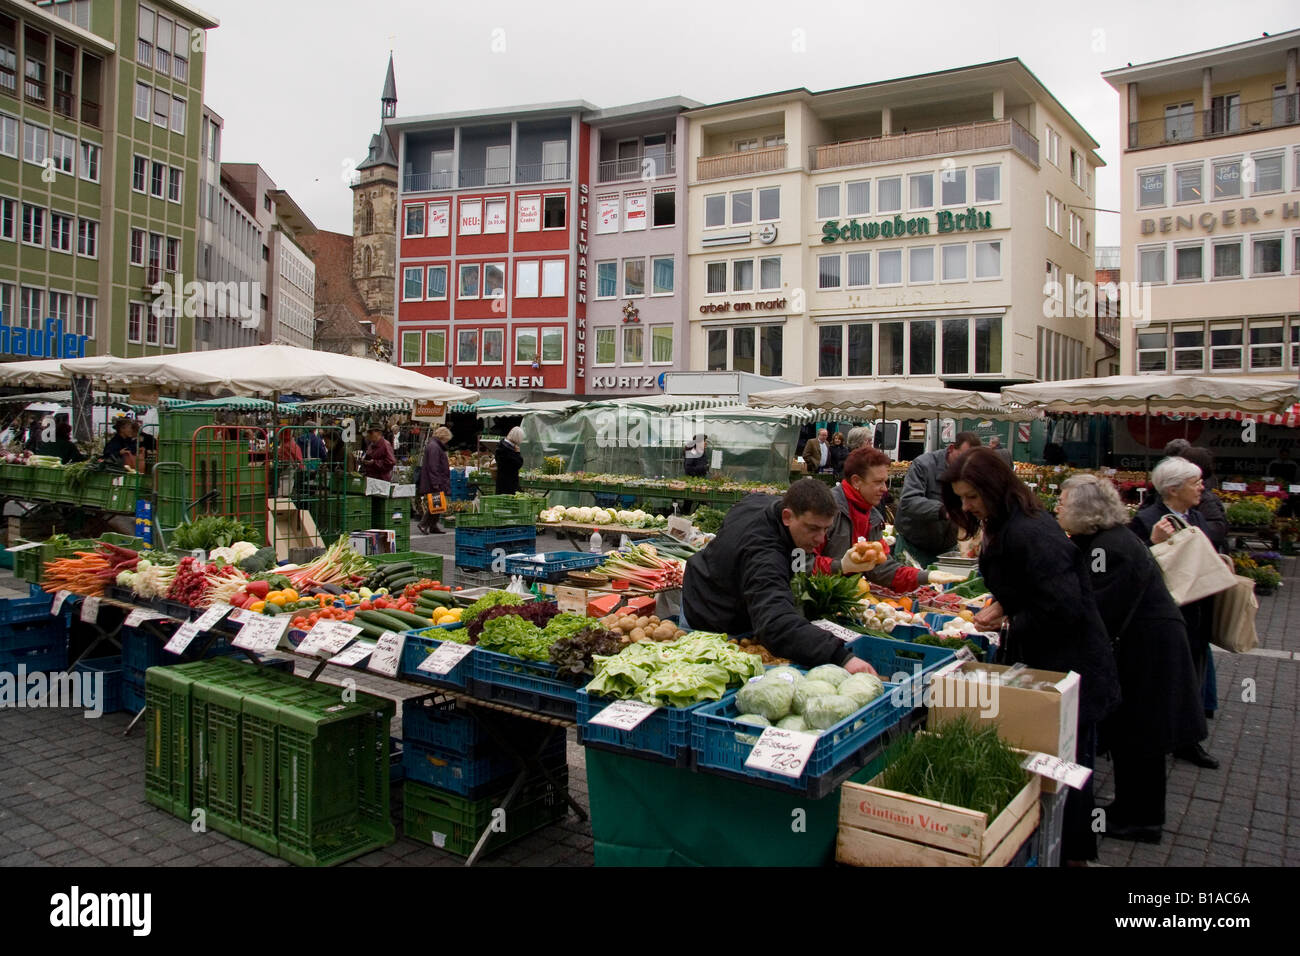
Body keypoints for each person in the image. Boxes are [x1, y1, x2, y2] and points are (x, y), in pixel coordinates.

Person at [940, 447, 1120, 865]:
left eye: (972, 497)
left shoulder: (1031, 533)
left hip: (1067, 670)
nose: (966, 506)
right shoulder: (1009, 525)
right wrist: (1006, 605)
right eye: (961, 498)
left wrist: (1009, 621)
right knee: (1056, 764)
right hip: (1050, 664)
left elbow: (1063, 606)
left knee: (1068, 769)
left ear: (995, 488)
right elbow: (1035, 589)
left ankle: (1071, 855)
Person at [1056, 475, 1205, 844]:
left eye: (1063, 501)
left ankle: (1140, 819)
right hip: (1147, 646)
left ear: (1083, 510)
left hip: (1150, 653)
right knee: (1138, 735)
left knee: (1142, 735)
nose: (1057, 507)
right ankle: (1132, 810)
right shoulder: (1109, 540)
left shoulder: (1110, 548)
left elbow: (1095, 609)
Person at [681, 479, 878, 672]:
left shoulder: (761, 503)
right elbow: (774, 623)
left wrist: (840, 566)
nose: (820, 539)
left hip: (715, 587)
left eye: (826, 529)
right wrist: (841, 657)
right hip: (709, 613)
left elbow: (794, 563)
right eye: (813, 528)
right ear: (787, 516)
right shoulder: (765, 555)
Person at [1128, 456, 1220, 770]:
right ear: (1173, 488)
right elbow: (1135, 566)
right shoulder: (1147, 518)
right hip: (1167, 614)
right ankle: (1170, 735)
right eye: (1195, 483)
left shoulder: (1196, 515)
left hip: (1198, 608)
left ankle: (1187, 738)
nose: (1202, 487)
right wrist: (1152, 543)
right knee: (1171, 675)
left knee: (1195, 670)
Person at [813, 447, 964, 590]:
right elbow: (801, 563)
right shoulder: (825, 509)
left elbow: (881, 568)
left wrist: (925, 576)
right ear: (856, 481)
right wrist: (841, 566)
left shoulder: (872, 516)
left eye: (885, 481)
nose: (885, 489)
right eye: (878, 482)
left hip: (846, 596)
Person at [895, 431, 981, 567]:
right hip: (914, 546)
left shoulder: (968, 472)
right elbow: (908, 501)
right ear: (952, 449)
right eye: (963, 458)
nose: (967, 464)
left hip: (947, 548)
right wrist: (943, 510)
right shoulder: (923, 465)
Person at [417, 425, 451, 533]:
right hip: (434, 481)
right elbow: (433, 466)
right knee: (436, 503)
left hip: (434, 479)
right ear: (443, 437)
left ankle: (432, 525)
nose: (446, 442)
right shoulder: (435, 447)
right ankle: (423, 524)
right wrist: (436, 482)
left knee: (437, 503)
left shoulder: (434, 446)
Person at [495, 426, 525, 495]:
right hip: (509, 483)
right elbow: (518, 464)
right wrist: (517, 453)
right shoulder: (508, 450)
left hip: (502, 481)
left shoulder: (501, 445)